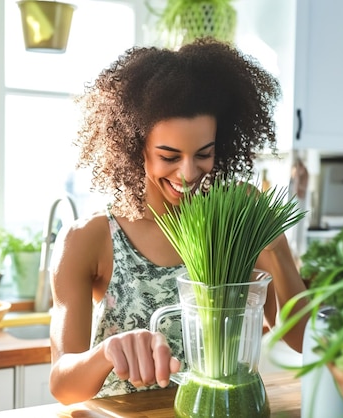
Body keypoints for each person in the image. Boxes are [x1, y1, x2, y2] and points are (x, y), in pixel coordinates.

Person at [48, 38, 309, 405]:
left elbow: (300, 339)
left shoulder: (233, 224)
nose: (188, 173)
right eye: (169, 156)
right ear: (133, 144)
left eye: (204, 153)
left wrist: (272, 241)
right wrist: (108, 351)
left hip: (222, 411)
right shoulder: (89, 239)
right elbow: (62, 384)